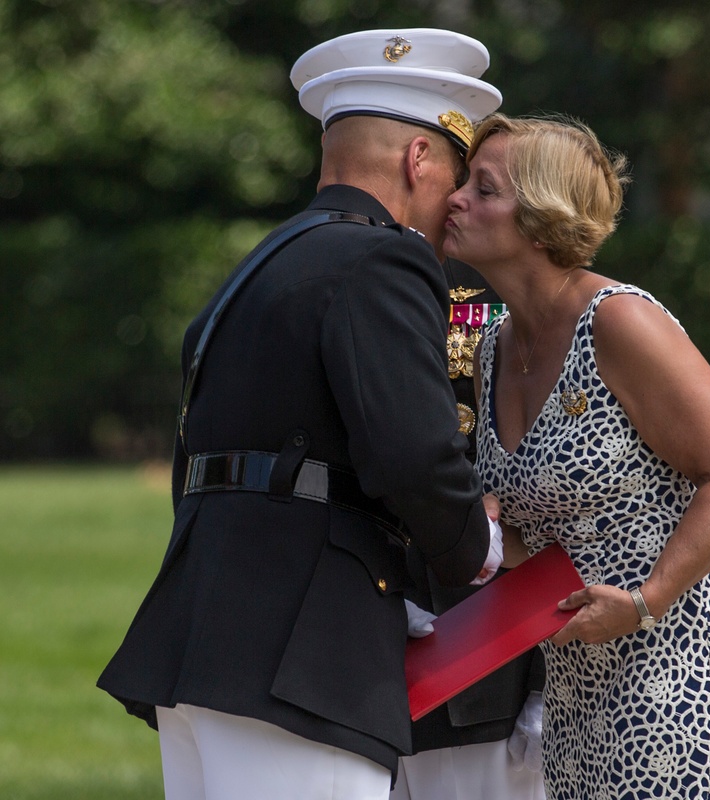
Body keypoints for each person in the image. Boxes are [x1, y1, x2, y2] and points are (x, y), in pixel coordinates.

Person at [97, 28, 504, 800]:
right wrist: (474, 550)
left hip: (204, 637)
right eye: (453, 173)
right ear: (419, 160)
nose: (454, 202)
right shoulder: (388, 257)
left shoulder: (261, 263)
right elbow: (413, 452)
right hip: (300, 660)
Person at [443, 113, 710, 800]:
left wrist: (646, 602)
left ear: (539, 219)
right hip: (573, 672)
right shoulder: (493, 346)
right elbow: (539, 522)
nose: (455, 199)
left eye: (484, 188)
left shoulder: (620, 321)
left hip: (676, 654)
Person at [390, 257, 546, 800]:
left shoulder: (507, 268)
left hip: (482, 661)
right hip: (358, 651)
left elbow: (551, 494)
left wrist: (545, 682)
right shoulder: (349, 254)